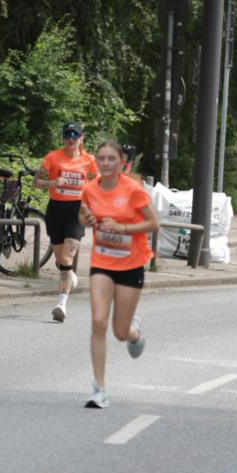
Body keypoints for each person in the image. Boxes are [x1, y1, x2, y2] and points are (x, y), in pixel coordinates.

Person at [79, 140, 160, 409]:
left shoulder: (133, 190)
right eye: (101, 158)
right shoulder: (90, 189)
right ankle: (99, 389)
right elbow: (83, 214)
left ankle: (135, 333)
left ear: (120, 161)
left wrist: (123, 229)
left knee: (119, 331)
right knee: (98, 321)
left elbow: (153, 223)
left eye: (110, 158)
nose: (105, 163)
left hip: (131, 263)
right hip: (102, 261)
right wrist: (86, 220)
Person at [33, 122, 98, 322]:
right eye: (67, 135)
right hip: (55, 210)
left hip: (77, 212)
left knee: (67, 259)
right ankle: (69, 275)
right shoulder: (52, 158)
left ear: (81, 139)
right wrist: (51, 183)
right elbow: (35, 183)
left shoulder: (89, 160)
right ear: (63, 138)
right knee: (62, 260)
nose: (71, 139)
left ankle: (61, 303)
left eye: (75, 135)